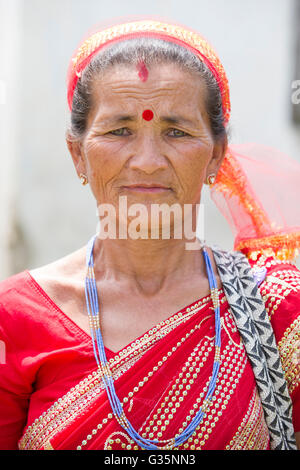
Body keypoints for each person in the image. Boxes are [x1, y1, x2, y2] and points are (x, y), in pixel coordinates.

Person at [0, 19, 299, 451]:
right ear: (77, 154)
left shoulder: (278, 311)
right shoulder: (16, 317)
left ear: (216, 155)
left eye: (176, 131)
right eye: (119, 130)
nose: (147, 160)